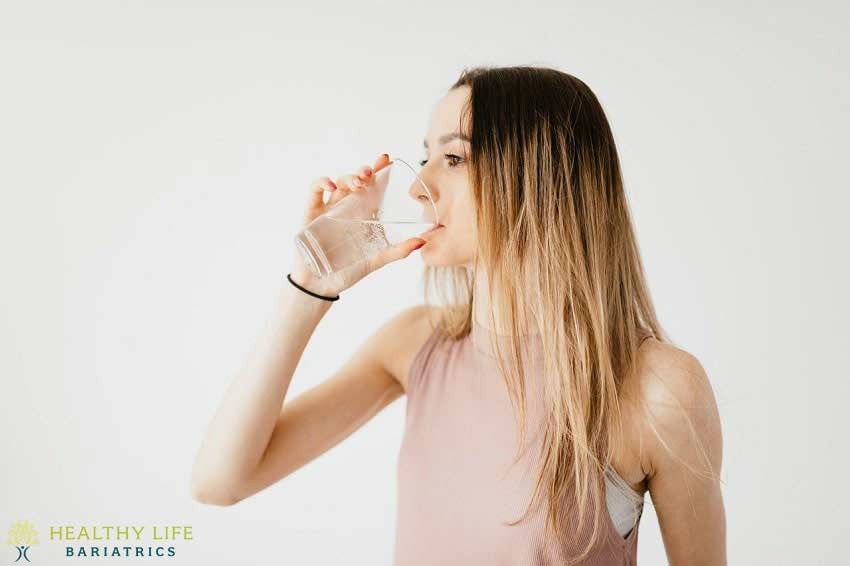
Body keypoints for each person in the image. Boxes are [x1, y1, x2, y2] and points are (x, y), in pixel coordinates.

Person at [190, 65, 726, 565]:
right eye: (424, 156)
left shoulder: (658, 388)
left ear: (541, 174)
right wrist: (309, 284)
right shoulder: (415, 345)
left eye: (453, 158)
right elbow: (220, 481)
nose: (417, 186)